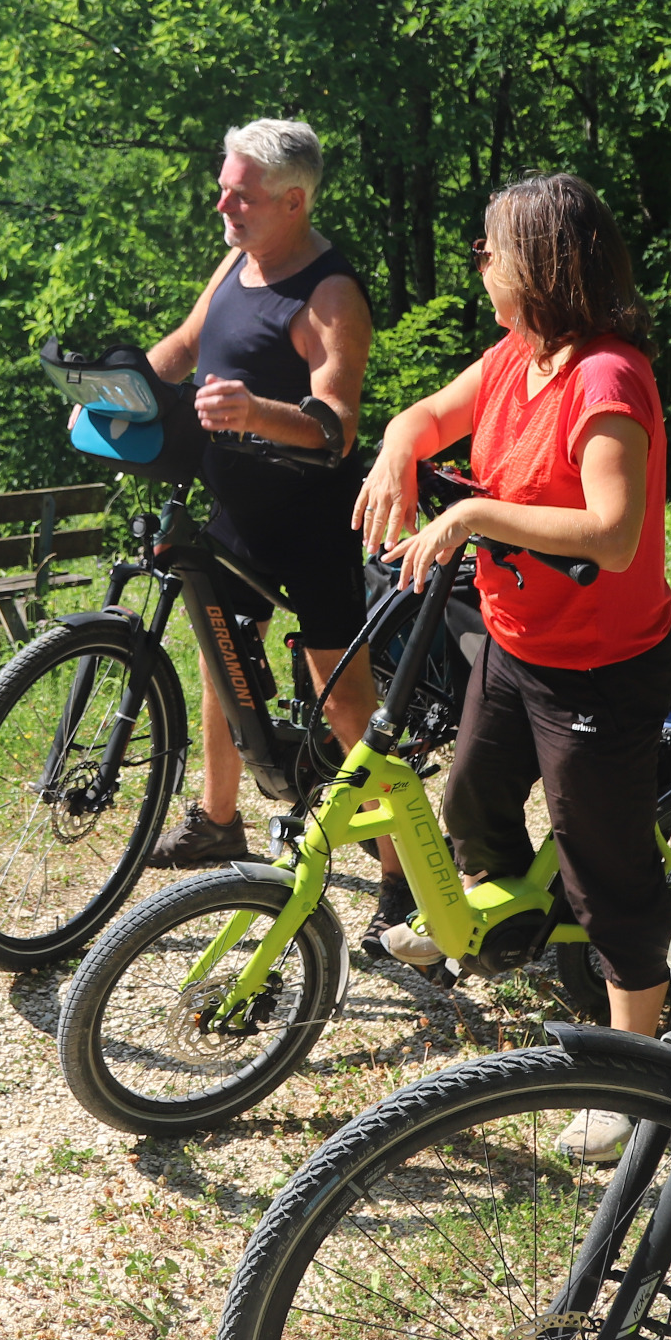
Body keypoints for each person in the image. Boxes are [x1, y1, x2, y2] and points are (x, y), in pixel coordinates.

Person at [354, 172, 671, 1159]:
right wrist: (394, 454)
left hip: (600, 668)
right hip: (518, 641)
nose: (480, 264)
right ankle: (504, 933)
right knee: (468, 804)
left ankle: (636, 1083)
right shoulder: (515, 360)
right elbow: (422, 418)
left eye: (490, 248)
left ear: (535, 263)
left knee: (605, 871)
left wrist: (471, 512)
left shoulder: (604, 379)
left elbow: (612, 534)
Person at [140, 120, 408, 935]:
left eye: (241, 195)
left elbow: (339, 423)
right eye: (225, 186)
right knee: (221, 652)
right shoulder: (237, 263)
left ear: (293, 202)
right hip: (237, 511)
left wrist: (257, 411)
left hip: (313, 520)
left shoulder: (329, 294)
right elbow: (184, 348)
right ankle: (219, 822)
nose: (223, 203)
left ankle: (402, 875)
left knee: (347, 705)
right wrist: (118, 387)